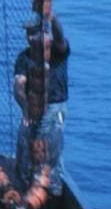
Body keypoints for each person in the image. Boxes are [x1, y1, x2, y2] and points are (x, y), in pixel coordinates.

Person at [13, 12, 69, 193]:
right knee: (24, 141)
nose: (29, 37)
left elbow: (60, 36)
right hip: (33, 108)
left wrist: (52, 19)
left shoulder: (57, 51)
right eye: (27, 34)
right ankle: (24, 187)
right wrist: (26, 107)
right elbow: (19, 86)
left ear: (44, 33)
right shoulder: (24, 57)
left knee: (49, 153)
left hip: (53, 107)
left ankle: (52, 194)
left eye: (33, 33)